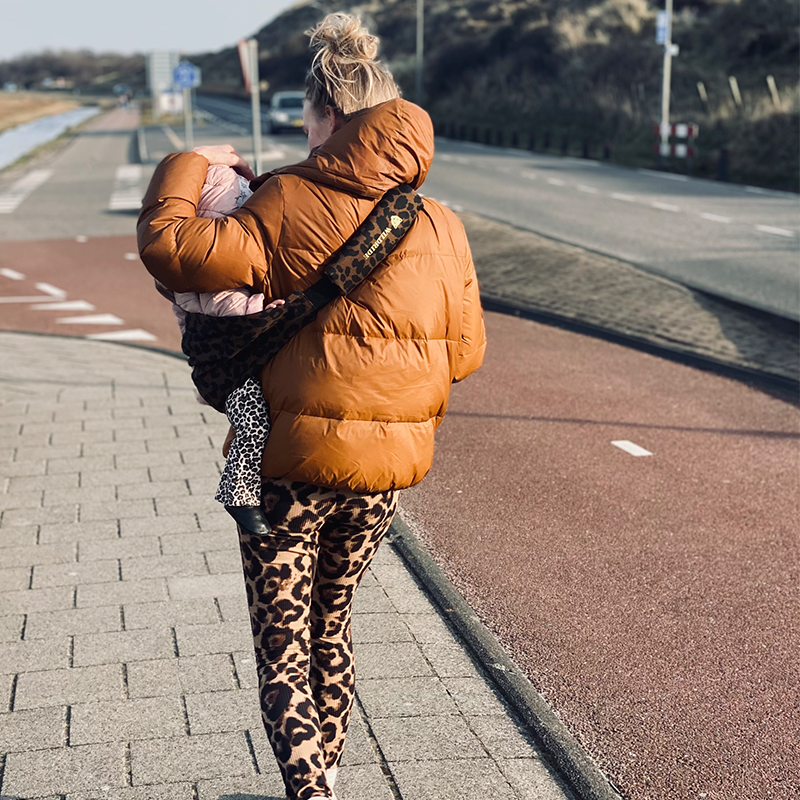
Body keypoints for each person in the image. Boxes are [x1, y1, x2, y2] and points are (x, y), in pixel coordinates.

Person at [137, 12, 486, 800]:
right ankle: (328, 769)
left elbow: (171, 249)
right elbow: (467, 355)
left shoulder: (289, 199)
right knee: (334, 622)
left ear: (324, 116)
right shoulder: (443, 224)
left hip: (286, 463)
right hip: (384, 476)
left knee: (282, 643)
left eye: (307, 117)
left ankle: (312, 789)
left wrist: (185, 166)